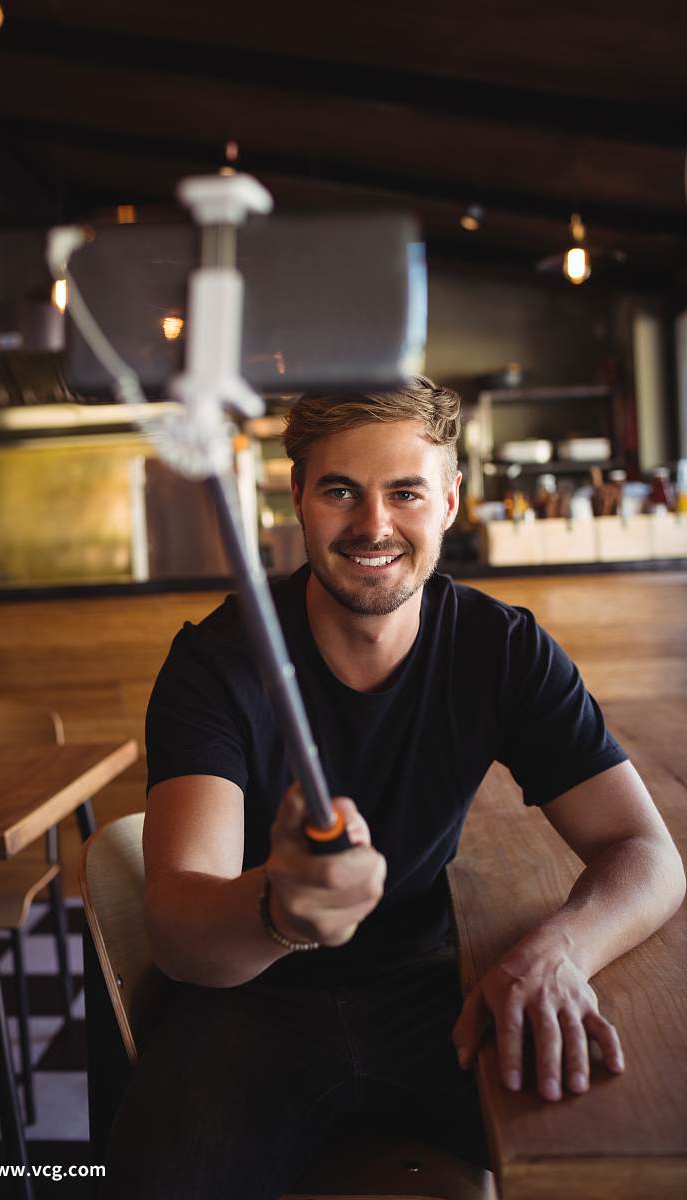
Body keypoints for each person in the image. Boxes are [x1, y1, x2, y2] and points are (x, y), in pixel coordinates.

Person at [102, 379, 685, 1200]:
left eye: (405, 492)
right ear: (298, 497)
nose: (374, 525)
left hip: (434, 990)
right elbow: (178, 930)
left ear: (449, 501)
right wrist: (281, 908)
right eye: (340, 490)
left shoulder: (502, 649)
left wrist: (561, 952)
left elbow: (647, 854)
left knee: (613, 1157)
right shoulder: (216, 665)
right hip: (247, 1004)